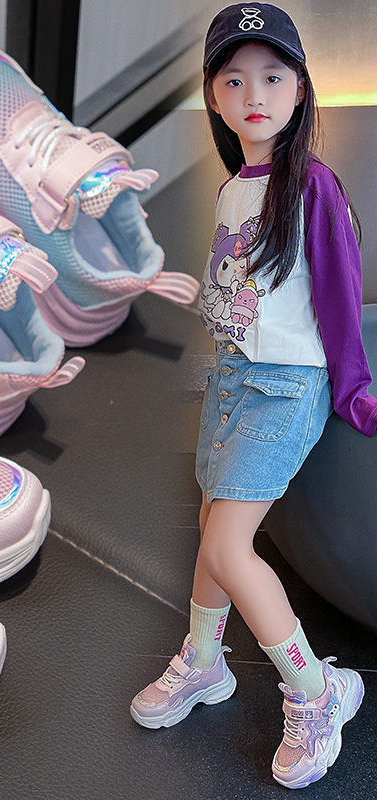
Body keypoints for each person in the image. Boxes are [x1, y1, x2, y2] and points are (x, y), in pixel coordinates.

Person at [129, 3, 375, 790]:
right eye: (233, 80)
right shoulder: (235, 190)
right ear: (212, 95)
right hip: (234, 378)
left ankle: (318, 691)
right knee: (212, 529)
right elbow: (244, 298)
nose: (254, 94)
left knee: (231, 547)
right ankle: (205, 661)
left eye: (272, 76)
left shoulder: (314, 188)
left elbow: (339, 298)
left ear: (301, 88)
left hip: (286, 386)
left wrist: (356, 391)